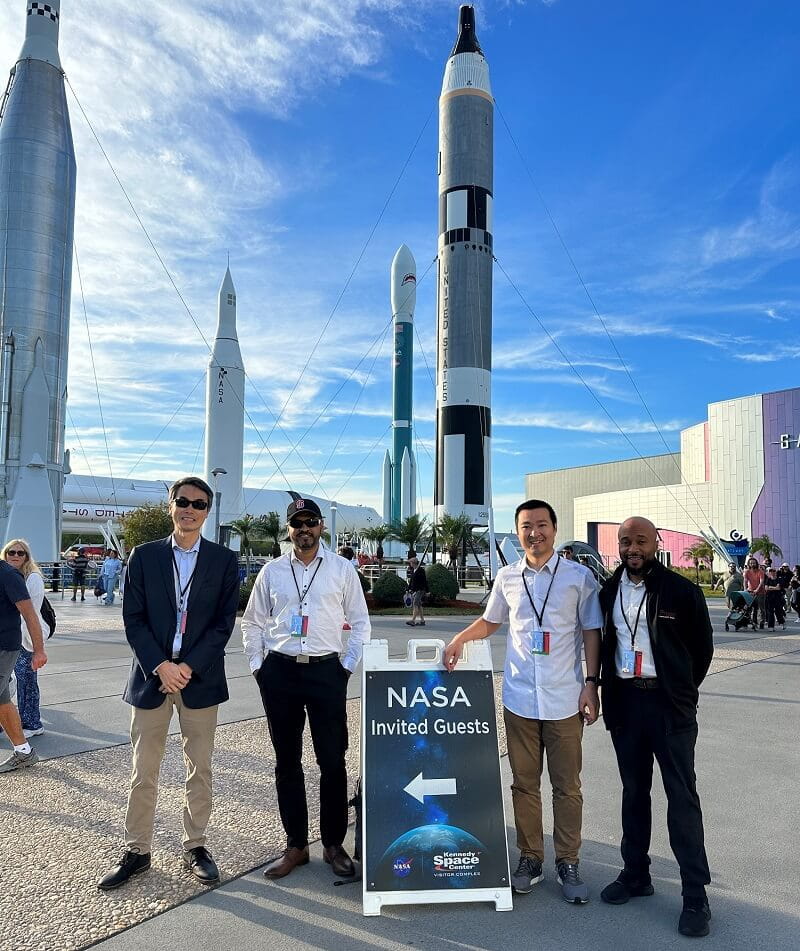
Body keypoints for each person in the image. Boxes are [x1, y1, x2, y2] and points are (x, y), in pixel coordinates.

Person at [444, 499, 602, 904]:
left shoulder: (578, 578)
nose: (535, 533)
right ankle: (530, 857)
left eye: (542, 525)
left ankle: (568, 861)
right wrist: (460, 639)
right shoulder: (507, 577)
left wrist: (590, 684)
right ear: (518, 532)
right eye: (527, 526)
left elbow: (591, 632)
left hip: (565, 699)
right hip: (519, 699)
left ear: (554, 527)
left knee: (567, 787)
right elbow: (492, 621)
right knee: (524, 785)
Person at [97, 477, 239, 890]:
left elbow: (222, 623)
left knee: (201, 768)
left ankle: (195, 845)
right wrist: (161, 665)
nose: (189, 509)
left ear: (207, 512)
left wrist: (187, 667)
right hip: (151, 677)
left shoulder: (223, 561)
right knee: (144, 769)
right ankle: (138, 850)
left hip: (199, 678)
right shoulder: (144, 557)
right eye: (182, 501)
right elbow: (133, 619)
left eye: (198, 504)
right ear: (170, 505)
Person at [241, 498, 370, 880]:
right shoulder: (272, 571)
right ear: (288, 529)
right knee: (287, 763)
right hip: (279, 672)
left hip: (326, 672)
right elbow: (251, 622)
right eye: (297, 523)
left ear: (321, 527)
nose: (304, 529)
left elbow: (361, 622)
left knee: (332, 761)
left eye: (310, 522)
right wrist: (258, 666)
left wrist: (346, 667)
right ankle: (296, 844)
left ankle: (332, 844)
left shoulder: (342, 569)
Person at [598, 517, 713, 938]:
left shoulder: (682, 591)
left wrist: (680, 692)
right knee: (633, 792)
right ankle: (635, 874)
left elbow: (701, 650)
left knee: (682, 797)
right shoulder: (607, 590)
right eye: (625, 541)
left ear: (656, 544)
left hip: (669, 708)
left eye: (640, 541)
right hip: (626, 704)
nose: (632, 548)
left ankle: (695, 895)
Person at [0, 554, 47, 773]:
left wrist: (38, 650)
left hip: (4, 647)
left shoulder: (8, 575)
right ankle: (24, 752)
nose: (16, 556)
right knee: (3, 701)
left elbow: (30, 614)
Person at [743, 557, 765, 629]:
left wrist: (757, 590)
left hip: (760, 592)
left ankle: (761, 622)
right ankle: (750, 622)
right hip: (750, 592)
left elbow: (761, 582)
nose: (752, 564)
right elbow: (745, 581)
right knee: (749, 608)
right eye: (751, 563)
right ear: (749, 564)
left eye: (754, 563)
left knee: (760, 608)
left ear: (756, 563)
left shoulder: (760, 571)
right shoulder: (747, 572)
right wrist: (745, 589)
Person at [406, 557, 428, 627]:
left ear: (413, 563)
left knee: (415, 603)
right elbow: (412, 581)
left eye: (410, 563)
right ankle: (422, 620)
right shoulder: (414, 570)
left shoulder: (420, 570)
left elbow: (424, 581)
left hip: (420, 589)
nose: (410, 564)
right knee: (419, 605)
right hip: (416, 590)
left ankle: (413, 620)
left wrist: (427, 591)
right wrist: (408, 589)